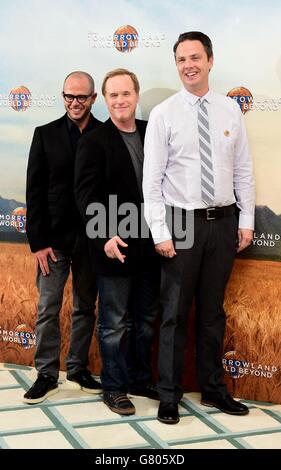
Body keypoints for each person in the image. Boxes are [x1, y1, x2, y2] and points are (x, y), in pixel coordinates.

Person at [143, 32, 255, 424]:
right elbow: (151, 180)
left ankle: (213, 390)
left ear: (210, 60)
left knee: (212, 313)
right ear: (176, 65)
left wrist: (246, 220)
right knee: (173, 313)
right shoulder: (164, 114)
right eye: (181, 59)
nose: (188, 64)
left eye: (195, 57)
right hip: (181, 224)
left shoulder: (230, 110)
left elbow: (243, 169)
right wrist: (160, 231)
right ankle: (169, 396)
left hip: (223, 225)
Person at [75, 69, 160, 416]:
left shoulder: (151, 132)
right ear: (105, 99)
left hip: (151, 245)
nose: (121, 100)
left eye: (126, 93)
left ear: (136, 96)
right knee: (114, 322)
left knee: (146, 319)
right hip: (114, 246)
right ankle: (114, 387)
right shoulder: (93, 141)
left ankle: (140, 378)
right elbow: (84, 195)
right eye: (113, 95)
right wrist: (103, 236)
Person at [24, 71, 103, 404]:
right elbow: (35, 191)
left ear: (93, 98)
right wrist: (38, 242)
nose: (74, 102)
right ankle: (45, 373)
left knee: (86, 307)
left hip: (91, 240)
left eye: (81, 97)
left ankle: (77, 368)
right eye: (69, 96)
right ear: (63, 96)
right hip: (53, 242)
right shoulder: (45, 135)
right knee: (48, 307)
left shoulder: (106, 134)